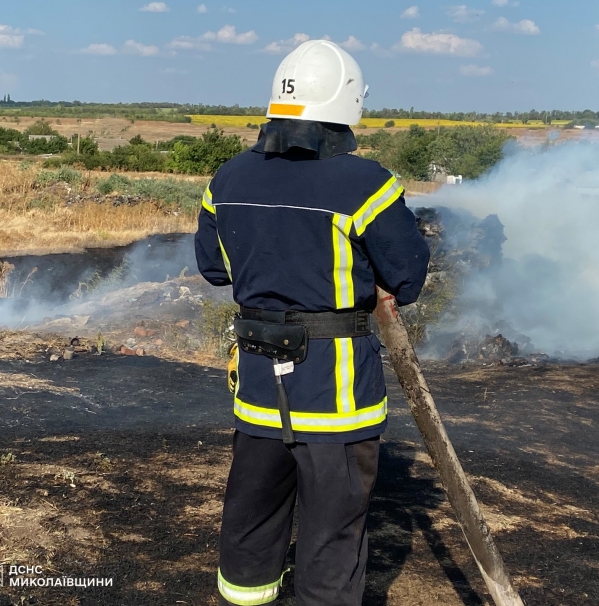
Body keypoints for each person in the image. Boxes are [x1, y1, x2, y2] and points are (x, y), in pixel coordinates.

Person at [194, 40, 430, 606]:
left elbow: (214, 268)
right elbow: (407, 277)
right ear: (348, 106)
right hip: (336, 395)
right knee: (332, 531)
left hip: (256, 389)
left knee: (250, 519)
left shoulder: (226, 180)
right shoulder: (366, 184)